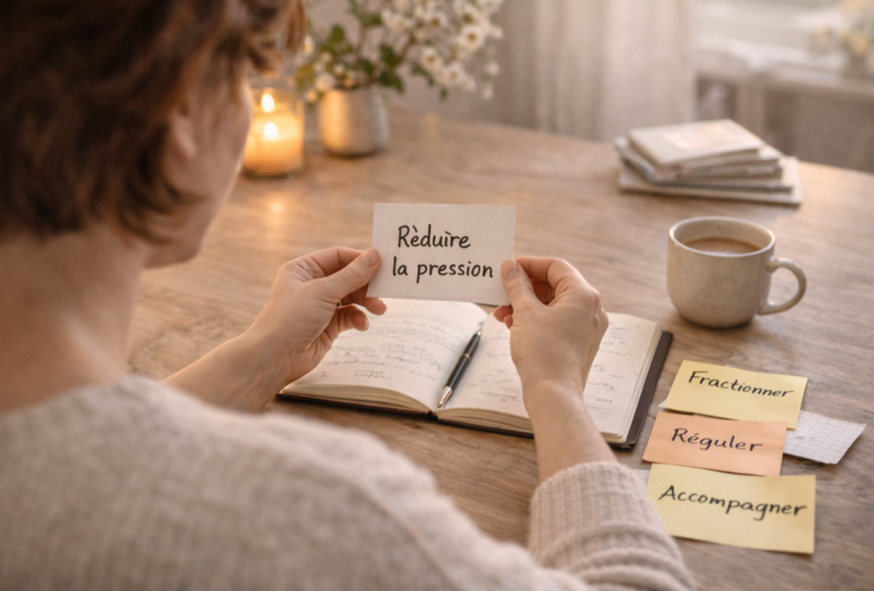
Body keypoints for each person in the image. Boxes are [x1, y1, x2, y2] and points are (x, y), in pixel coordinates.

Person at [0, 0, 695, 589]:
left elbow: (77, 454)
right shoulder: (319, 513)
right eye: (247, 77)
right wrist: (557, 388)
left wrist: (261, 356)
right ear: (180, 113)